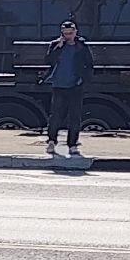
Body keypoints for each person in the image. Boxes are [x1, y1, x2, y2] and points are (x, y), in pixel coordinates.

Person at [43, 19, 94, 157]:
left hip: (75, 86)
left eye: (70, 33)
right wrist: (58, 46)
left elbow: (89, 64)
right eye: (65, 34)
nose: (68, 36)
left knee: (74, 117)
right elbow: (48, 60)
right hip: (58, 85)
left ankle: (72, 144)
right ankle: (52, 141)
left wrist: (83, 80)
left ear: (75, 32)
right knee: (56, 116)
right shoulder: (55, 45)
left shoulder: (81, 46)